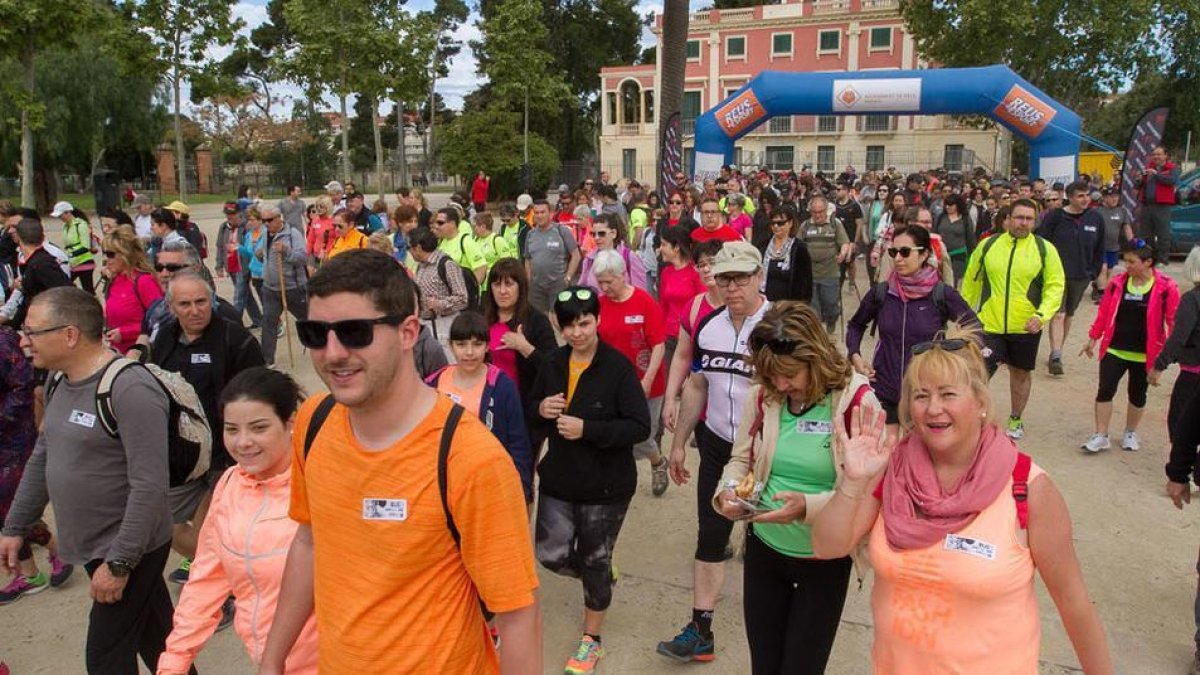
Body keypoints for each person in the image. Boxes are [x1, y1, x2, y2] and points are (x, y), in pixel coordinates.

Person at [258, 249, 542, 674]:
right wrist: (273, 657)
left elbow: (518, 614)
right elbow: (309, 541)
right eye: (315, 333)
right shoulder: (314, 423)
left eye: (354, 333)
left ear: (409, 332)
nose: (332, 353)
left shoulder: (471, 460)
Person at [810, 327, 1114, 675]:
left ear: (981, 402)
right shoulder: (891, 470)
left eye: (948, 394)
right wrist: (853, 480)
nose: (933, 408)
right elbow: (827, 546)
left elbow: (1074, 603)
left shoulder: (1028, 487)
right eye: (921, 395)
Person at [1, 287, 179, 674]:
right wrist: (16, 525)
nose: (22, 339)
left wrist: (119, 563)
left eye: (32, 331)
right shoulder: (57, 380)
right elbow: (44, 455)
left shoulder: (130, 389)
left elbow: (150, 485)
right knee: (162, 646)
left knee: (105, 660)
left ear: (69, 335)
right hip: (96, 546)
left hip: (130, 547)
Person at [714, 301, 879, 675]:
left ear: (815, 358)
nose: (781, 385)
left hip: (823, 559)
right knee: (765, 666)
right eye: (772, 376)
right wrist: (727, 492)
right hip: (765, 549)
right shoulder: (764, 395)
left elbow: (869, 494)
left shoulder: (856, 401)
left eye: (789, 375)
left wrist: (808, 507)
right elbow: (740, 459)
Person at [156, 367, 318, 675]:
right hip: (265, 663)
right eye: (232, 429)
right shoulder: (230, 486)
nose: (243, 442)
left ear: (290, 424)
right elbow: (206, 579)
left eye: (258, 428)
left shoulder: (320, 483)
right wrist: (174, 662)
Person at [658, 240, 770, 664]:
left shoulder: (779, 324)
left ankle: (772, 631)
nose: (733, 286)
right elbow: (698, 384)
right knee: (711, 535)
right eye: (725, 278)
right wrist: (679, 443)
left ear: (759, 276)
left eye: (741, 277)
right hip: (719, 445)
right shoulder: (709, 326)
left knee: (764, 540)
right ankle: (701, 630)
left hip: (764, 452)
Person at [529, 285, 650, 674]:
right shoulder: (552, 363)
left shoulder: (617, 368)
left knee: (595, 561)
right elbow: (533, 413)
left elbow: (638, 426)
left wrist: (589, 429)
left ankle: (590, 639)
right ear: (560, 328)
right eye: (569, 326)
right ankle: (600, 570)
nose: (578, 332)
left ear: (597, 321)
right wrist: (541, 408)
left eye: (584, 323)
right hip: (560, 480)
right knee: (550, 555)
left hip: (606, 486)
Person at [151, 271, 266, 589]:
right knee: (164, 524)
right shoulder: (164, 339)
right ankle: (223, 575)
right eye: (185, 304)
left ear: (212, 300)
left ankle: (226, 591)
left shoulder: (236, 339)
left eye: (201, 301)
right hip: (182, 454)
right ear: (171, 306)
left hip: (224, 456)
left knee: (213, 530)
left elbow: (260, 396)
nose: (194, 310)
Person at [847, 226, 978, 432]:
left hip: (926, 395)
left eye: (905, 252)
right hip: (885, 389)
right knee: (886, 453)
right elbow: (855, 325)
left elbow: (974, 327)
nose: (898, 258)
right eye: (893, 252)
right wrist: (855, 356)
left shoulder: (941, 294)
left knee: (919, 458)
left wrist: (955, 360)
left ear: (924, 253)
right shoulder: (881, 293)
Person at [961, 198, 1065, 440]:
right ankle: (974, 417)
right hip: (989, 324)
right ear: (1008, 219)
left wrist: (1042, 315)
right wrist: (965, 314)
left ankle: (1016, 418)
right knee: (977, 373)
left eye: (1029, 219)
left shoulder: (1045, 249)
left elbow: (1055, 286)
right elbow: (971, 280)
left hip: (1025, 326)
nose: (1023, 223)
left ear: (1035, 221)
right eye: (1019, 217)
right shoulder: (988, 245)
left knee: (1020, 374)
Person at [1080, 240, 1179, 452]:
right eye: (1126, 261)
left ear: (1148, 263)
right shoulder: (1117, 283)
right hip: (1114, 349)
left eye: (1132, 262)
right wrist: (1093, 338)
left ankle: (1130, 432)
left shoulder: (1166, 287)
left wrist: (1169, 354)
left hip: (1145, 354)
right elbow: (1104, 313)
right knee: (1105, 390)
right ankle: (1101, 434)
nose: (1127, 266)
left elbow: (1173, 321)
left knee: (1137, 394)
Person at [424, 312, 534, 502]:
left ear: (487, 346)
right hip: (443, 485)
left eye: (477, 344)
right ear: (451, 345)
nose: (469, 352)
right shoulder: (434, 383)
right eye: (461, 344)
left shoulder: (502, 386)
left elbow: (518, 442)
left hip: (489, 485)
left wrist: (520, 488)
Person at [0, 324, 74, 604]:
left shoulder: (3, 340)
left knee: (11, 505)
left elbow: (23, 386)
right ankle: (32, 571)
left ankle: (51, 554)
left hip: (12, 439)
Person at [593, 250, 670, 496]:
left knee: (642, 433)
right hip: (612, 382)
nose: (605, 287)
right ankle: (615, 477)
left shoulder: (644, 302)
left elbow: (658, 344)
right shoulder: (599, 305)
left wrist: (647, 380)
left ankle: (658, 462)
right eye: (600, 282)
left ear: (623, 275)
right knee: (614, 431)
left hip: (647, 380)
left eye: (609, 281)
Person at [483, 258, 557, 452]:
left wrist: (525, 348)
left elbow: (555, 368)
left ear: (520, 287)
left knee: (520, 474)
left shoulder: (536, 321)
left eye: (509, 284)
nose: (502, 291)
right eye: (497, 284)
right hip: (488, 410)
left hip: (524, 413)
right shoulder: (482, 318)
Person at [1040, 181, 1106, 376]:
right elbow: (1043, 243)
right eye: (1080, 196)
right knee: (1058, 314)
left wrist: (1093, 273)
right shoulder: (1055, 217)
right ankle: (1056, 354)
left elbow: (1100, 247)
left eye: (1087, 195)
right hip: (1056, 274)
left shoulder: (1095, 218)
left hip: (1081, 275)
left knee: (1069, 314)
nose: (1085, 199)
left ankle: (1058, 348)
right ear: (1069, 197)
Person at [101, 227, 163, 355]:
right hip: (119, 351)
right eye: (104, 253)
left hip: (142, 352)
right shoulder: (115, 280)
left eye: (110, 254)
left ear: (125, 254)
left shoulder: (143, 281)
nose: (106, 259)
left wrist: (125, 333)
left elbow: (160, 320)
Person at [795, 194, 852, 334]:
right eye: (814, 212)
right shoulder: (805, 225)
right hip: (810, 274)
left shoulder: (835, 224)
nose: (817, 215)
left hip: (830, 272)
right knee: (813, 309)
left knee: (831, 304)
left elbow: (844, 243)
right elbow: (797, 245)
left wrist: (843, 254)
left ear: (826, 209)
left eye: (820, 211)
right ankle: (818, 335)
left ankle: (832, 320)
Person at [260, 205, 308, 366]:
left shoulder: (292, 234)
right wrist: (259, 254)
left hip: (292, 287)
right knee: (268, 322)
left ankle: (322, 343)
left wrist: (286, 251)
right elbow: (265, 256)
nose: (266, 224)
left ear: (279, 218)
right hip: (270, 288)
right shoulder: (265, 234)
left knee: (308, 318)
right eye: (263, 220)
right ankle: (267, 359)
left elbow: (302, 258)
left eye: (269, 220)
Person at [2, 217, 72, 329]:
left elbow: (66, 292)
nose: (10, 231)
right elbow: (29, 296)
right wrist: (12, 323)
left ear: (19, 237)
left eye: (14, 228)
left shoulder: (41, 263)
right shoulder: (32, 261)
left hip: (50, 324)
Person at [656, 226, 706, 371]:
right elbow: (663, 306)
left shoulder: (695, 273)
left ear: (676, 247)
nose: (660, 249)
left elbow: (702, 305)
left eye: (664, 244)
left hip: (691, 338)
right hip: (669, 337)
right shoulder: (666, 272)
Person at [411, 227, 469, 346]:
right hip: (425, 325)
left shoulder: (447, 264)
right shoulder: (421, 266)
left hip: (444, 325)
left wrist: (439, 304)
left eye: (409, 248)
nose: (409, 252)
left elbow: (463, 299)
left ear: (418, 248)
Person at [524, 199, 581, 313]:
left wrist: (568, 277)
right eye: (537, 213)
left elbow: (576, 255)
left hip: (558, 284)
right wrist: (529, 280)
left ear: (550, 213)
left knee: (559, 318)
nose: (539, 216)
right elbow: (527, 258)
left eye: (543, 212)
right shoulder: (530, 235)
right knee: (538, 319)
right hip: (537, 287)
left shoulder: (561, 231)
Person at [757, 203, 813, 303]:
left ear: (790, 223)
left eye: (780, 223)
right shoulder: (763, 245)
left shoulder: (799, 248)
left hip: (790, 304)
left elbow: (806, 281)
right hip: (765, 301)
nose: (776, 226)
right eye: (773, 223)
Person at [577, 214, 647, 292]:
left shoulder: (629, 257)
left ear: (613, 233)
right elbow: (582, 288)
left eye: (601, 233)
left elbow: (640, 292)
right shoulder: (589, 259)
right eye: (593, 234)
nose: (596, 238)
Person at [1137, 145, 1181, 265]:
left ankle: (1163, 259)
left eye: (1159, 154)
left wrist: (1156, 174)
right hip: (1147, 205)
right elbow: (1140, 185)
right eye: (1154, 154)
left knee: (1163, 234)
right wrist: (1139, 179)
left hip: (1162, 206)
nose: (1156, 156)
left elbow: (1171, 181)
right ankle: (1150, 258)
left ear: (1165, 156)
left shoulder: (1171, 168)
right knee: (1146, 234)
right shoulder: (1148, 168)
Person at [1095, 187, 1133, 301]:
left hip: (1114, 247)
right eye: (1112, 197)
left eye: (1116, 196)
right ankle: (1102, 293)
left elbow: (1127, 227)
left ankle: (1103, 289)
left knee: (1111, 270)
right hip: (1100, 247)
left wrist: (1133, 243)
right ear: (1105, 198)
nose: (1114, 199)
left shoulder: (1121, 211)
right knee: (1103, 268)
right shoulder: (1097, 212)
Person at [51, 201, 97, 294]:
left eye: (61, 215)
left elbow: (85, 246)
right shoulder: (65, 226)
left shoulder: (81, 224)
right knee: (64, 284)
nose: (60, 218)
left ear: (68, 212)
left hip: (84, 261)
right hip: (72, 262)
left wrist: (71, 254)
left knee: (88, 290)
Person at [932, 193, 975, 288]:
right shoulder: (940, 218)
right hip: (941, 255)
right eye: (946, 205)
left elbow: (970, 239)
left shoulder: (965, 219)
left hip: (958, 256)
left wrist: (972, 256)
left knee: (954, 282)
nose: (948, 207)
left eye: (951, 205)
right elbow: (934, 234)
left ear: (957, 205)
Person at [304, 196, 335, 270]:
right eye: (317, 206)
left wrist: (327, 252)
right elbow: (310, 239)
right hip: (315, 255)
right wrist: (307, 254)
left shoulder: (333, 221)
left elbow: (335, 239)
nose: (318, 208)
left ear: (327, 207)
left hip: (328, 255)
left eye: (321, 206)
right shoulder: (315, 221)